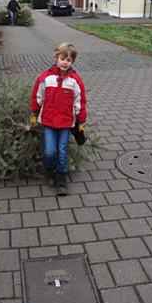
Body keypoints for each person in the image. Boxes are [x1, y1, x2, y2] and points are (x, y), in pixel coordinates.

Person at [29, 43, 87, 195]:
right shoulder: (46, 78)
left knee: (62, 150)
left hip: (66, 123)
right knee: (49, 151)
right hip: (48, 121)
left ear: (72, 62)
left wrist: (81, 121)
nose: (65, 62)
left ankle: (61, 179)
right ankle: (49, 171)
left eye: (69, 60)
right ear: (56, 58)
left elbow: (80, 101)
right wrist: (34, 113)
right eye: (62, 58)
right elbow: (37, 95)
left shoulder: (75, 80)